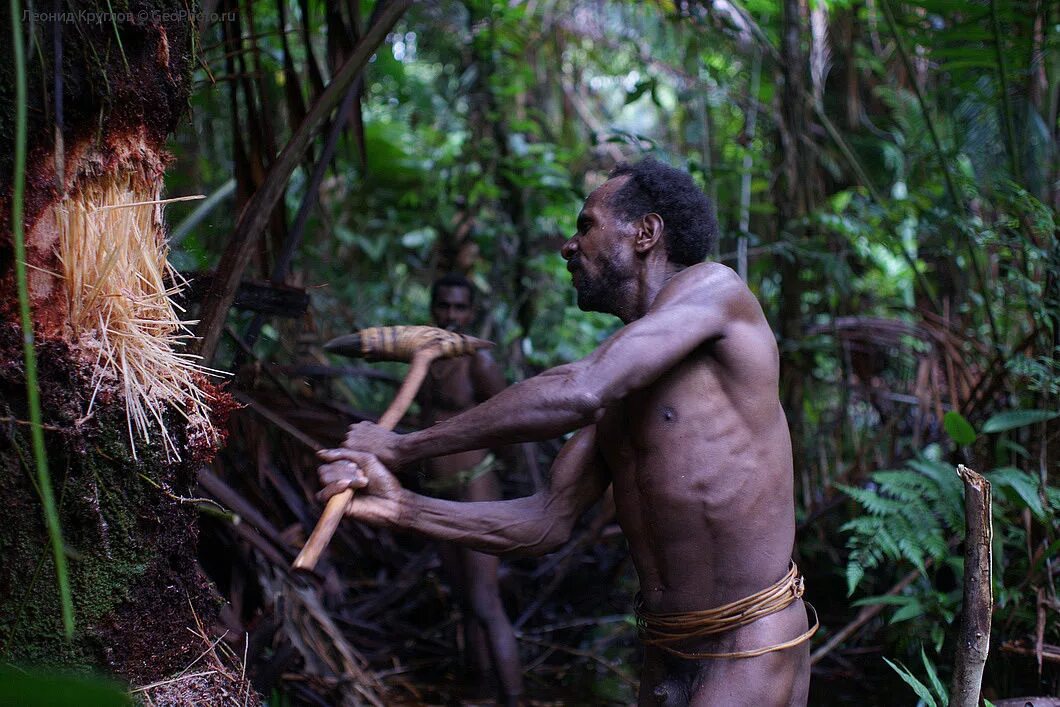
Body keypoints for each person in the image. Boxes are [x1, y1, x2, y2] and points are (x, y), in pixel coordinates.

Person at [318, 159, 816, 706]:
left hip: (747, 643)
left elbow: (581, 387)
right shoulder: (629, 386)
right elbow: (544, 520)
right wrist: (403, 507)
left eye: (586, 225)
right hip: (668, 653)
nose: (567, 245)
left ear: (646, 233)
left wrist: (401, 446)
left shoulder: (716, 289)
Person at [416, 273, 523, 703]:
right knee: (463, 598)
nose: (451, 315)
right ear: (433, 309)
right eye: (444, 306)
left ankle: (515, 699)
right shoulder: (422, 357)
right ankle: (478, 686)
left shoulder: (480, 362)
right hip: (438, 489)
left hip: (475, 486)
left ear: (471, 312)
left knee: (484, 600)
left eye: (460, 307)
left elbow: (512, 420)